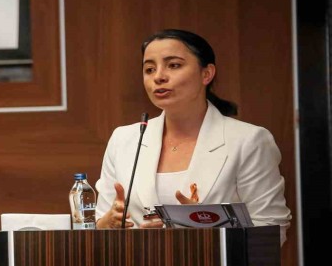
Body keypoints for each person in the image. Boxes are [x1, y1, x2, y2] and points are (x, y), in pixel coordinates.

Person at [94, 29, 291, 244]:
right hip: (140, 264)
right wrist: (107, 225)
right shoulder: (124, 140)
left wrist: (205, 230)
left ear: (206, 74)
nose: (158, 76)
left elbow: (272, 232)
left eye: (173, 65)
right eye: (149, 69)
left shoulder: (249, 141)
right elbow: (99, 225)